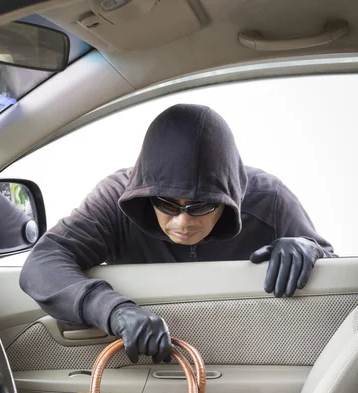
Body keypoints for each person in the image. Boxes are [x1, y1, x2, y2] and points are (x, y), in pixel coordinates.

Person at [20, 104, 334, 364]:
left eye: (202, 206)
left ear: (231, 197)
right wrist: (114, 310)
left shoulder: (271, 200)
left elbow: (335, 281)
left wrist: (309, 249)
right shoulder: (116, 200)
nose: (183, 222)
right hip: (145, 375)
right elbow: (43, 262)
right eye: (167, 204)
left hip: (256, 362)